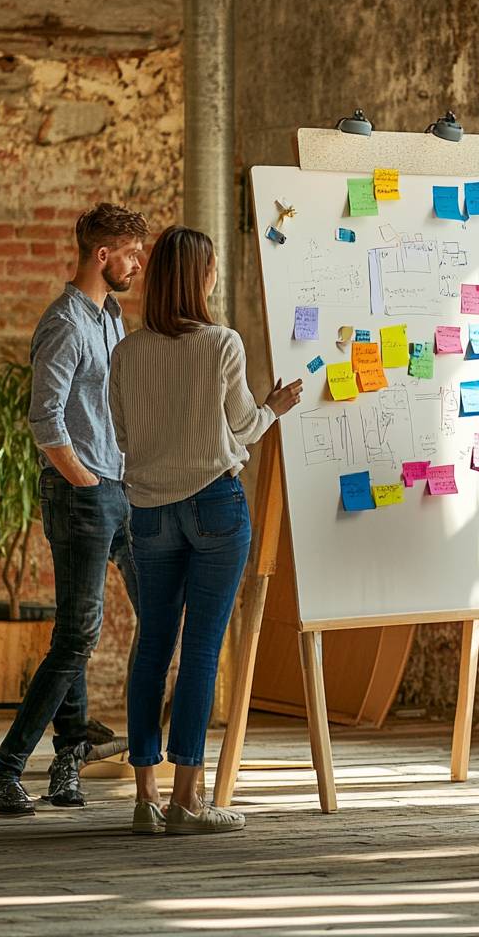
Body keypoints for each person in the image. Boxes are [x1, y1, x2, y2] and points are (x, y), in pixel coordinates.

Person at [110, 225, 303, 836]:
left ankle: (145, 796)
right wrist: (276, 405)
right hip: (215, 506)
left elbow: (120, 432)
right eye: (213, 266)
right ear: (200, 277)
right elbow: (244, 428)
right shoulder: (222, 343)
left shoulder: (127, 351)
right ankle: (187, 802)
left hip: (148, 509)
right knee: (199, 651)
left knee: (152, 645)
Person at [0, 203, 148, 816]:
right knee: (78, 634)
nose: (138, 264)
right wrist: (85, 483)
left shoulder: (111, 315)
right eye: (131, 254)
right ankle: (7, 771)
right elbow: (45, 420)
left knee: (145, 613)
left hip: (122, 491)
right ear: (103, 256)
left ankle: (68, 760)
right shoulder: (65, 324)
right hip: (84, 492)